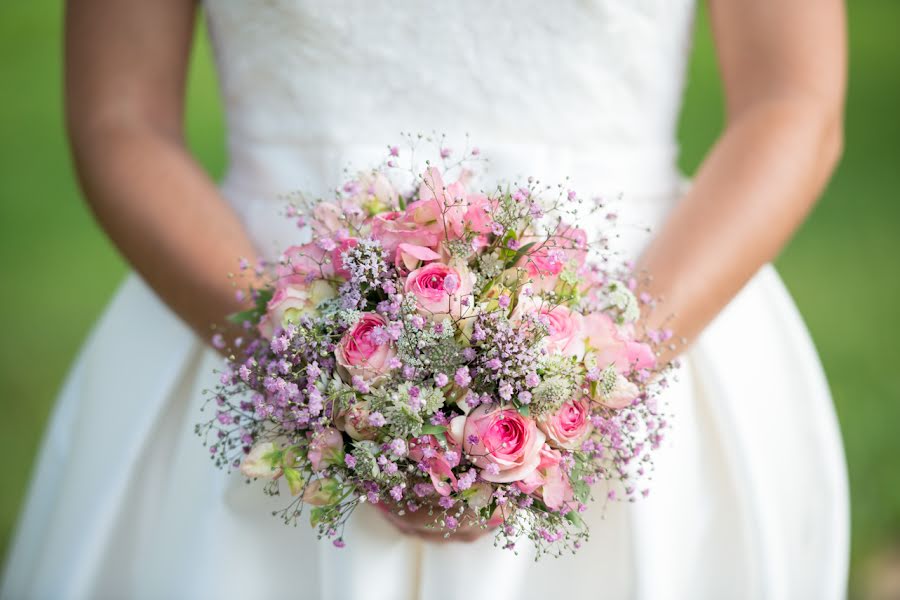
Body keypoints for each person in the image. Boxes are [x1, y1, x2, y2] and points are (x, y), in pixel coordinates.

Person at [1, 1, 848, 598]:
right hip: (237, 298)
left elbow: (793, 102)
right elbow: (120, 118)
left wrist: (587, 373)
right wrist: (314, 373)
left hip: (655, 304)